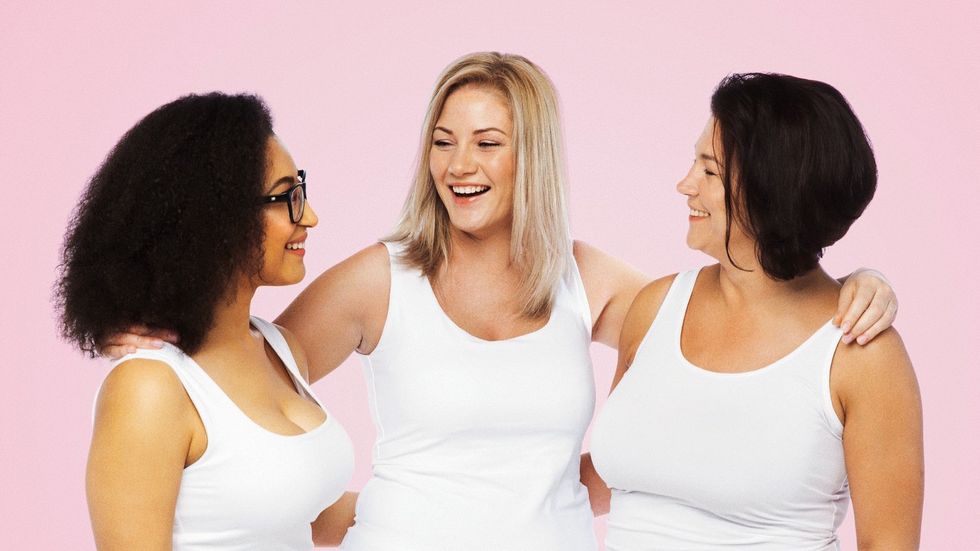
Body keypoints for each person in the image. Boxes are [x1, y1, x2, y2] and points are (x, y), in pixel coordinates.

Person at [101, 54, 899, 550]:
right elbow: (254, 390)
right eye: (443, 141)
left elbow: (738, 326)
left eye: (488, 143)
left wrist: (855, 282)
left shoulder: (591, 281)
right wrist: (154, 331)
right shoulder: (380, 279)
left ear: (533, 156)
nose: (459, 165)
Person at [590, 73, 924, 550]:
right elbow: (631, 474)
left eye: (709, 171)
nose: (684, 185)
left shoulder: (862, 354)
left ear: (772, 189)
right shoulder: (655, 307)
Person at [57, 93, 356, 550]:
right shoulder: (149, 388)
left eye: (301, 191)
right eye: (285, 197)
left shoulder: (279, 349)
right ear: (214, 218)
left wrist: (452, 502)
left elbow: (306, 514)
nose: (309, 217)